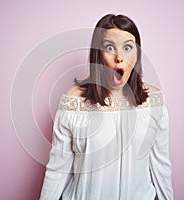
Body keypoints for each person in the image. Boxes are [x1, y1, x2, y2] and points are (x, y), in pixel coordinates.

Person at [40, 14, 174, 200]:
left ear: (137, 54)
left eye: (127, 47)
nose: (119, 57)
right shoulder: (73, 101)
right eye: (110, 47)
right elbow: (58, 168)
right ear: (98, 54)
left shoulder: (153, 101)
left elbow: (161, 164)